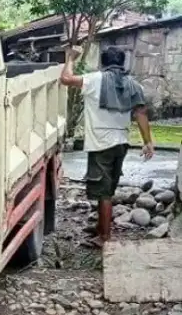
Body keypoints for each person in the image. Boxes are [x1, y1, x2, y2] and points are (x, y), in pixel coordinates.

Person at [60, 46, 154, 246]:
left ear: (103, 62)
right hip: (121, 143)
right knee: (108, 189)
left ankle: (104, 237)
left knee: (103, 193)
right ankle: (100, 227)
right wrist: (147, 142)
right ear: (122, 62)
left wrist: (71, 58)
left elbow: (66, 79)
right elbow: (141, 114)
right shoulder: (134, 85)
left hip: (101, 144)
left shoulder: (95, 79)